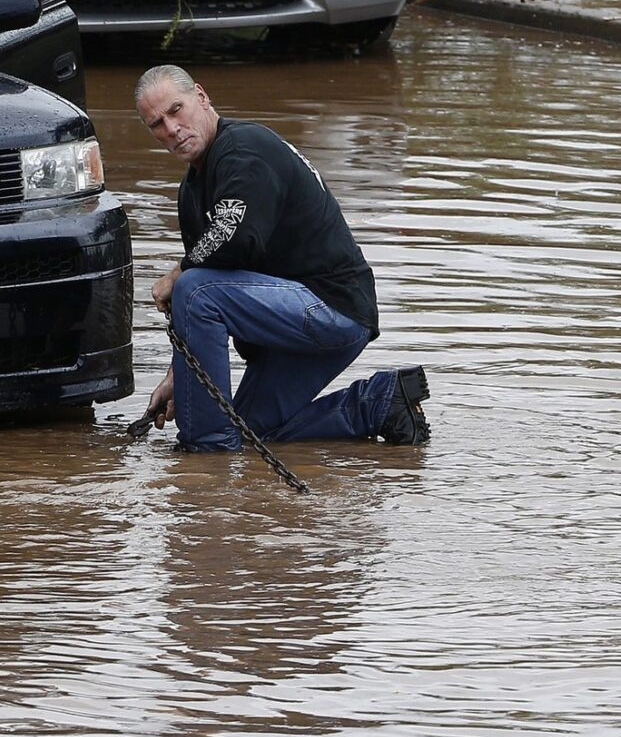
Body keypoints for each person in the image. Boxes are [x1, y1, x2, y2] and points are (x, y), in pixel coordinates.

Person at [132, 63, 430, 451]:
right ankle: (379, 404)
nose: (171, 129)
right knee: (247, 434)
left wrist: (178, 272)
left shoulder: (243, 149)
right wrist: (178, 378)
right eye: (156, 123)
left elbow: (232, 242)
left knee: (194, 288)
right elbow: (202, 278)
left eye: (176, 110)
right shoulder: (190, 193)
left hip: (330, 307)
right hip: (298, 326)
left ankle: (206, 460)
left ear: (201, 97)